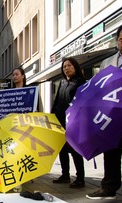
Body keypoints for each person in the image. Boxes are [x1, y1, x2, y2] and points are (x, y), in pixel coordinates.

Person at [86, 24, 122, 200]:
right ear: (117, 41)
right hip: (111, 115)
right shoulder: (107, 62)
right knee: (111, 152)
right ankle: (109, 186)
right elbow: (98, 87)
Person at [51, 57, 86, 188]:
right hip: (60, 120)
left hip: (74, 121)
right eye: (64, 66)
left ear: (75, 67)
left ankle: (80, 178)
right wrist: (52, 115)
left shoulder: (80, 82)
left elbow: (82, 102)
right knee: (62, 149)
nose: (66, 68)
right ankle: (65, 175)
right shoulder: (62, 82)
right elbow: (57, 100)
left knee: (75, 150)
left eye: (69, 65)